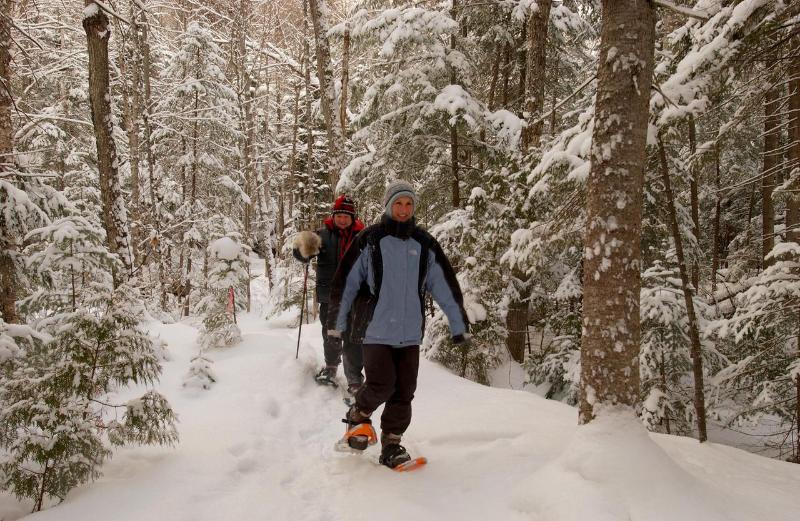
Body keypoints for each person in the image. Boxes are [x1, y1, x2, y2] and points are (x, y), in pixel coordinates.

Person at [326, 180, 470, 468]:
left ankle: (391, 444)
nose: (403, 209)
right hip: (375, 330)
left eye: (408, 204)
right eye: (398, 203)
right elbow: (347, 282)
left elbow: (443, 284)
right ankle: (359, 415)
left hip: (409, 333)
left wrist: (458, 324)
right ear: (388, 205)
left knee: (404, 390)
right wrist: (336, 324)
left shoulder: (424, 244)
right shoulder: (370, 240)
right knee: (381, 385)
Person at [293, 195, 365, 395]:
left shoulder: (362, 237)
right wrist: (302, 249)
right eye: (339, 215)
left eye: (346, 216)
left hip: (356, 296)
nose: (342, 219)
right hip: (330, 296)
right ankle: (331, 367)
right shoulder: (323, 236)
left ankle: (354, 377)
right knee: (331, 333)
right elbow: (300, 254)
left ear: (353, 217)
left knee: (354, 337)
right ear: (333, 216)